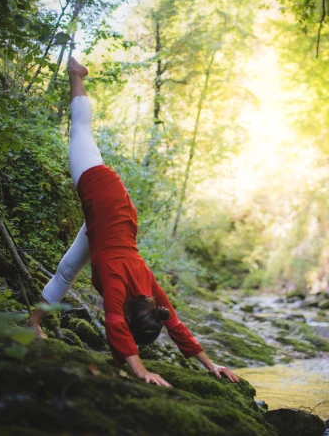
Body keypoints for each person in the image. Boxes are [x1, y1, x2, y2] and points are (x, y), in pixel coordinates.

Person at [27, 56, 239, 388]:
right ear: (130, 316)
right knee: (81, 130)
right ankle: (74, 73)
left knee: (67, 271)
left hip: (114, 220)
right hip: (103, 192)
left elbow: (176, 325)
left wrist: (212, 366)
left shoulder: (150, 294)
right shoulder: (117, 284)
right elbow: (113, 321)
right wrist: (139, 370)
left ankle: (33, 323)